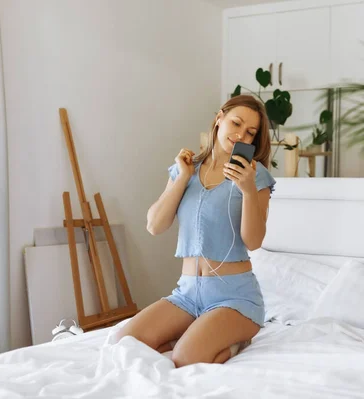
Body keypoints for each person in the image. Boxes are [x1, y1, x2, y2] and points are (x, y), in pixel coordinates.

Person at [115, 94, 276, 368]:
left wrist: (247, 190)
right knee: (124, 342)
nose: (241, 136)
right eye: (236, 123)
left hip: (234, 297)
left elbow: (254, 241)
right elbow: (155, 225)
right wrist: (182, 179)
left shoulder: (255, 174)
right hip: (187, 294)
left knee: (186, 358)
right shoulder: (185, 170)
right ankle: (192, 333)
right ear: (219, 119)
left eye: (250, 133)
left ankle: (235, 342)